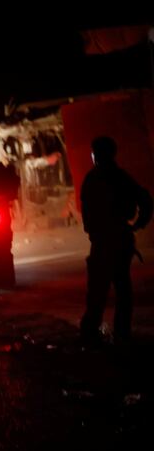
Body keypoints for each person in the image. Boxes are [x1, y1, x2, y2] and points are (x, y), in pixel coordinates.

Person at [80, 136, 152, 346]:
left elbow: (87, 213)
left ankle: (91, 333)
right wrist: (138, 224)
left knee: (98, 290)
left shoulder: (93, 179)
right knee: (122, 288)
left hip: (105, 241)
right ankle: (121, 333)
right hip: (120, 239)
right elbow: (145, 200)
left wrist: (93, 231)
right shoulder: (121, 177)